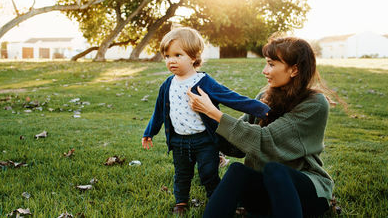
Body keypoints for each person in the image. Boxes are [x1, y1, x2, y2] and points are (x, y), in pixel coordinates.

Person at [187, 36, 340, 218]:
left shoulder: (314, 103)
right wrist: (204, 116)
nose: (264, 70)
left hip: (306, 194)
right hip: (265, 191)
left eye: (271, 64)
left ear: (294, 69)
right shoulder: (264, 97)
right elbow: (236, 146)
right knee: (237, 170)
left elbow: (265, 140)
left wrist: (215, 114)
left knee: (275, 169)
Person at [141, 27, 270, 215]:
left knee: (208, 173)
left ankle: (218, 200)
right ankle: (181, 203)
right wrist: (149, 132)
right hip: (178, 140)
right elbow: (159, 111)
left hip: (205, 140)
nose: (171, 60)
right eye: (167, 56)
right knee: (182, 174)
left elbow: (231, 97)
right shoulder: (167, 84)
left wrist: (261, 109)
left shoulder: (205, 82)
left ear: (193, 57)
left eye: (178, 54)